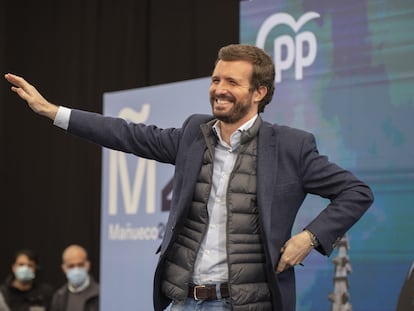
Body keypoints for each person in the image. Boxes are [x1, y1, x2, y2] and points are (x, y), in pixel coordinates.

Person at [4, 43, 374, 311]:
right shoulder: (193, 135)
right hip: (184, 302)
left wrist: (309, 238)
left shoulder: (291, 146)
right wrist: (53, 111)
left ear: (259, 92)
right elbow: (127, 134)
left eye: (232, 81)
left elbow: (356, 192)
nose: (219, 89)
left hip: (247, 304)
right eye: (216, 79)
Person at [50, 245, 99, 311]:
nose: (76, 270)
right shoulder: (59, 297)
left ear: (88, 265)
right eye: (71, 266)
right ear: (64, 268)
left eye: (80, 265)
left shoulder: (100, 294)